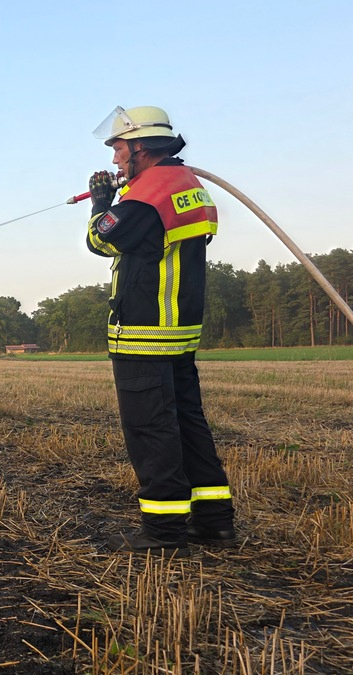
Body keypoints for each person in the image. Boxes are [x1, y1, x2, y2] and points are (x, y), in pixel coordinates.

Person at [84, 106, 236, 557]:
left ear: (141, 146)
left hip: (145, 331)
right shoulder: (185, 186)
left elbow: (99, 240)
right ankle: (215, 523)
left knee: (151, 430)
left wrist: (100, 202)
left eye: (118, 148)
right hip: (179, 330)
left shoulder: (146, 196)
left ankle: (164, 532)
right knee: (187, 424)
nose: (114, 160)